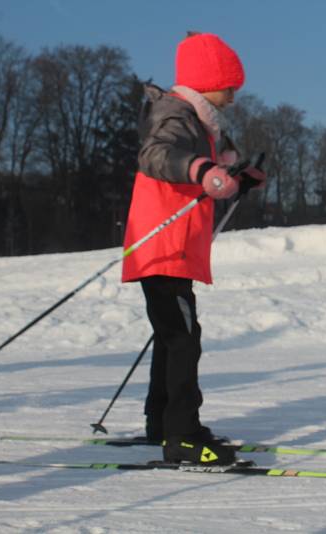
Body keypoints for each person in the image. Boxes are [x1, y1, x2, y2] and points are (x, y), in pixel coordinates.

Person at [121, 32, 265, 465]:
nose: (234, 98)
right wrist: (203, 168)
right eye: (230, 87)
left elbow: (203, 182)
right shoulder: (176, 114)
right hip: (161, 245)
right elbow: (156, 154)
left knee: (173, 338)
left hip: (172, 248)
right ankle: (182, 436)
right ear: (208, 81)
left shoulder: (197, 122)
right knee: (184, 339)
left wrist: (236, 179)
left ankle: (163, 424)